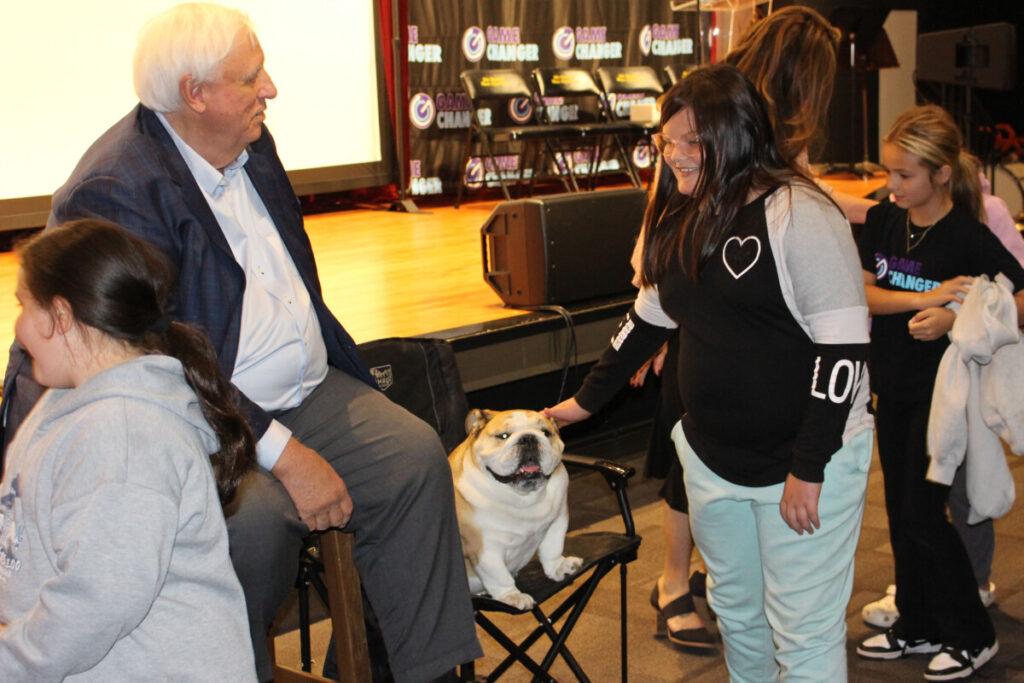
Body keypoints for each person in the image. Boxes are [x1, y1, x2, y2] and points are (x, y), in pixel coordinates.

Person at [0, 4, 480, 681]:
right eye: (250, 77)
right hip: (197, 412)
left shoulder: (252, 141)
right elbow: (159, 358)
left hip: (302, 389)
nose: (271, 89)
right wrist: (283, 452)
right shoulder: (119, 187)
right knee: (250, 530)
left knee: (413, 459)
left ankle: (405, 671)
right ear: (194, 94)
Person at [548, 63, 874, 681]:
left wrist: (808, 468)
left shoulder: (800, 214)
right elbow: (645, 318)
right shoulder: (681, 212)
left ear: (736, 136)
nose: (673, 156)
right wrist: (583, 404)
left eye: (690, 142)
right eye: (666, 141)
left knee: (802, 635)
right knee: (739, 616)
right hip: (713, 462)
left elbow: (842, 354)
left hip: (804, 465)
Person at [628, 6, 854, 650]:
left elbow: (796, 197)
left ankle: (696, 580)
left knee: (707, 455)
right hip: (692, 298)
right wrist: (654, 310)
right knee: (693, 453)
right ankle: (675, 580)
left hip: (714, 306)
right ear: (802, 72)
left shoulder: (764, 128)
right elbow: (666, 203)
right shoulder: (716, 109)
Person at [0, 219, 257, 680]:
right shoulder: (66, 400)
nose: (17, 328)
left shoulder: (124, 438)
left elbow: (96, 604)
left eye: (22, 306)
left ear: (60, 315)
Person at [854, 104, 1024, 680]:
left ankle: (973, 635)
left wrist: (959, 318)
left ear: (942, 173)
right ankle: (917, 623)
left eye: (905, 175)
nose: (893, 185)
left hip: (944, 401)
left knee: (926, 515)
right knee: (901, 515)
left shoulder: (968, 237)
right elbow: (866, 295)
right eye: (890, 172)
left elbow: (1018, 300)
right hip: (892, 389)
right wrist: (926, 301)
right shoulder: (884, 220)